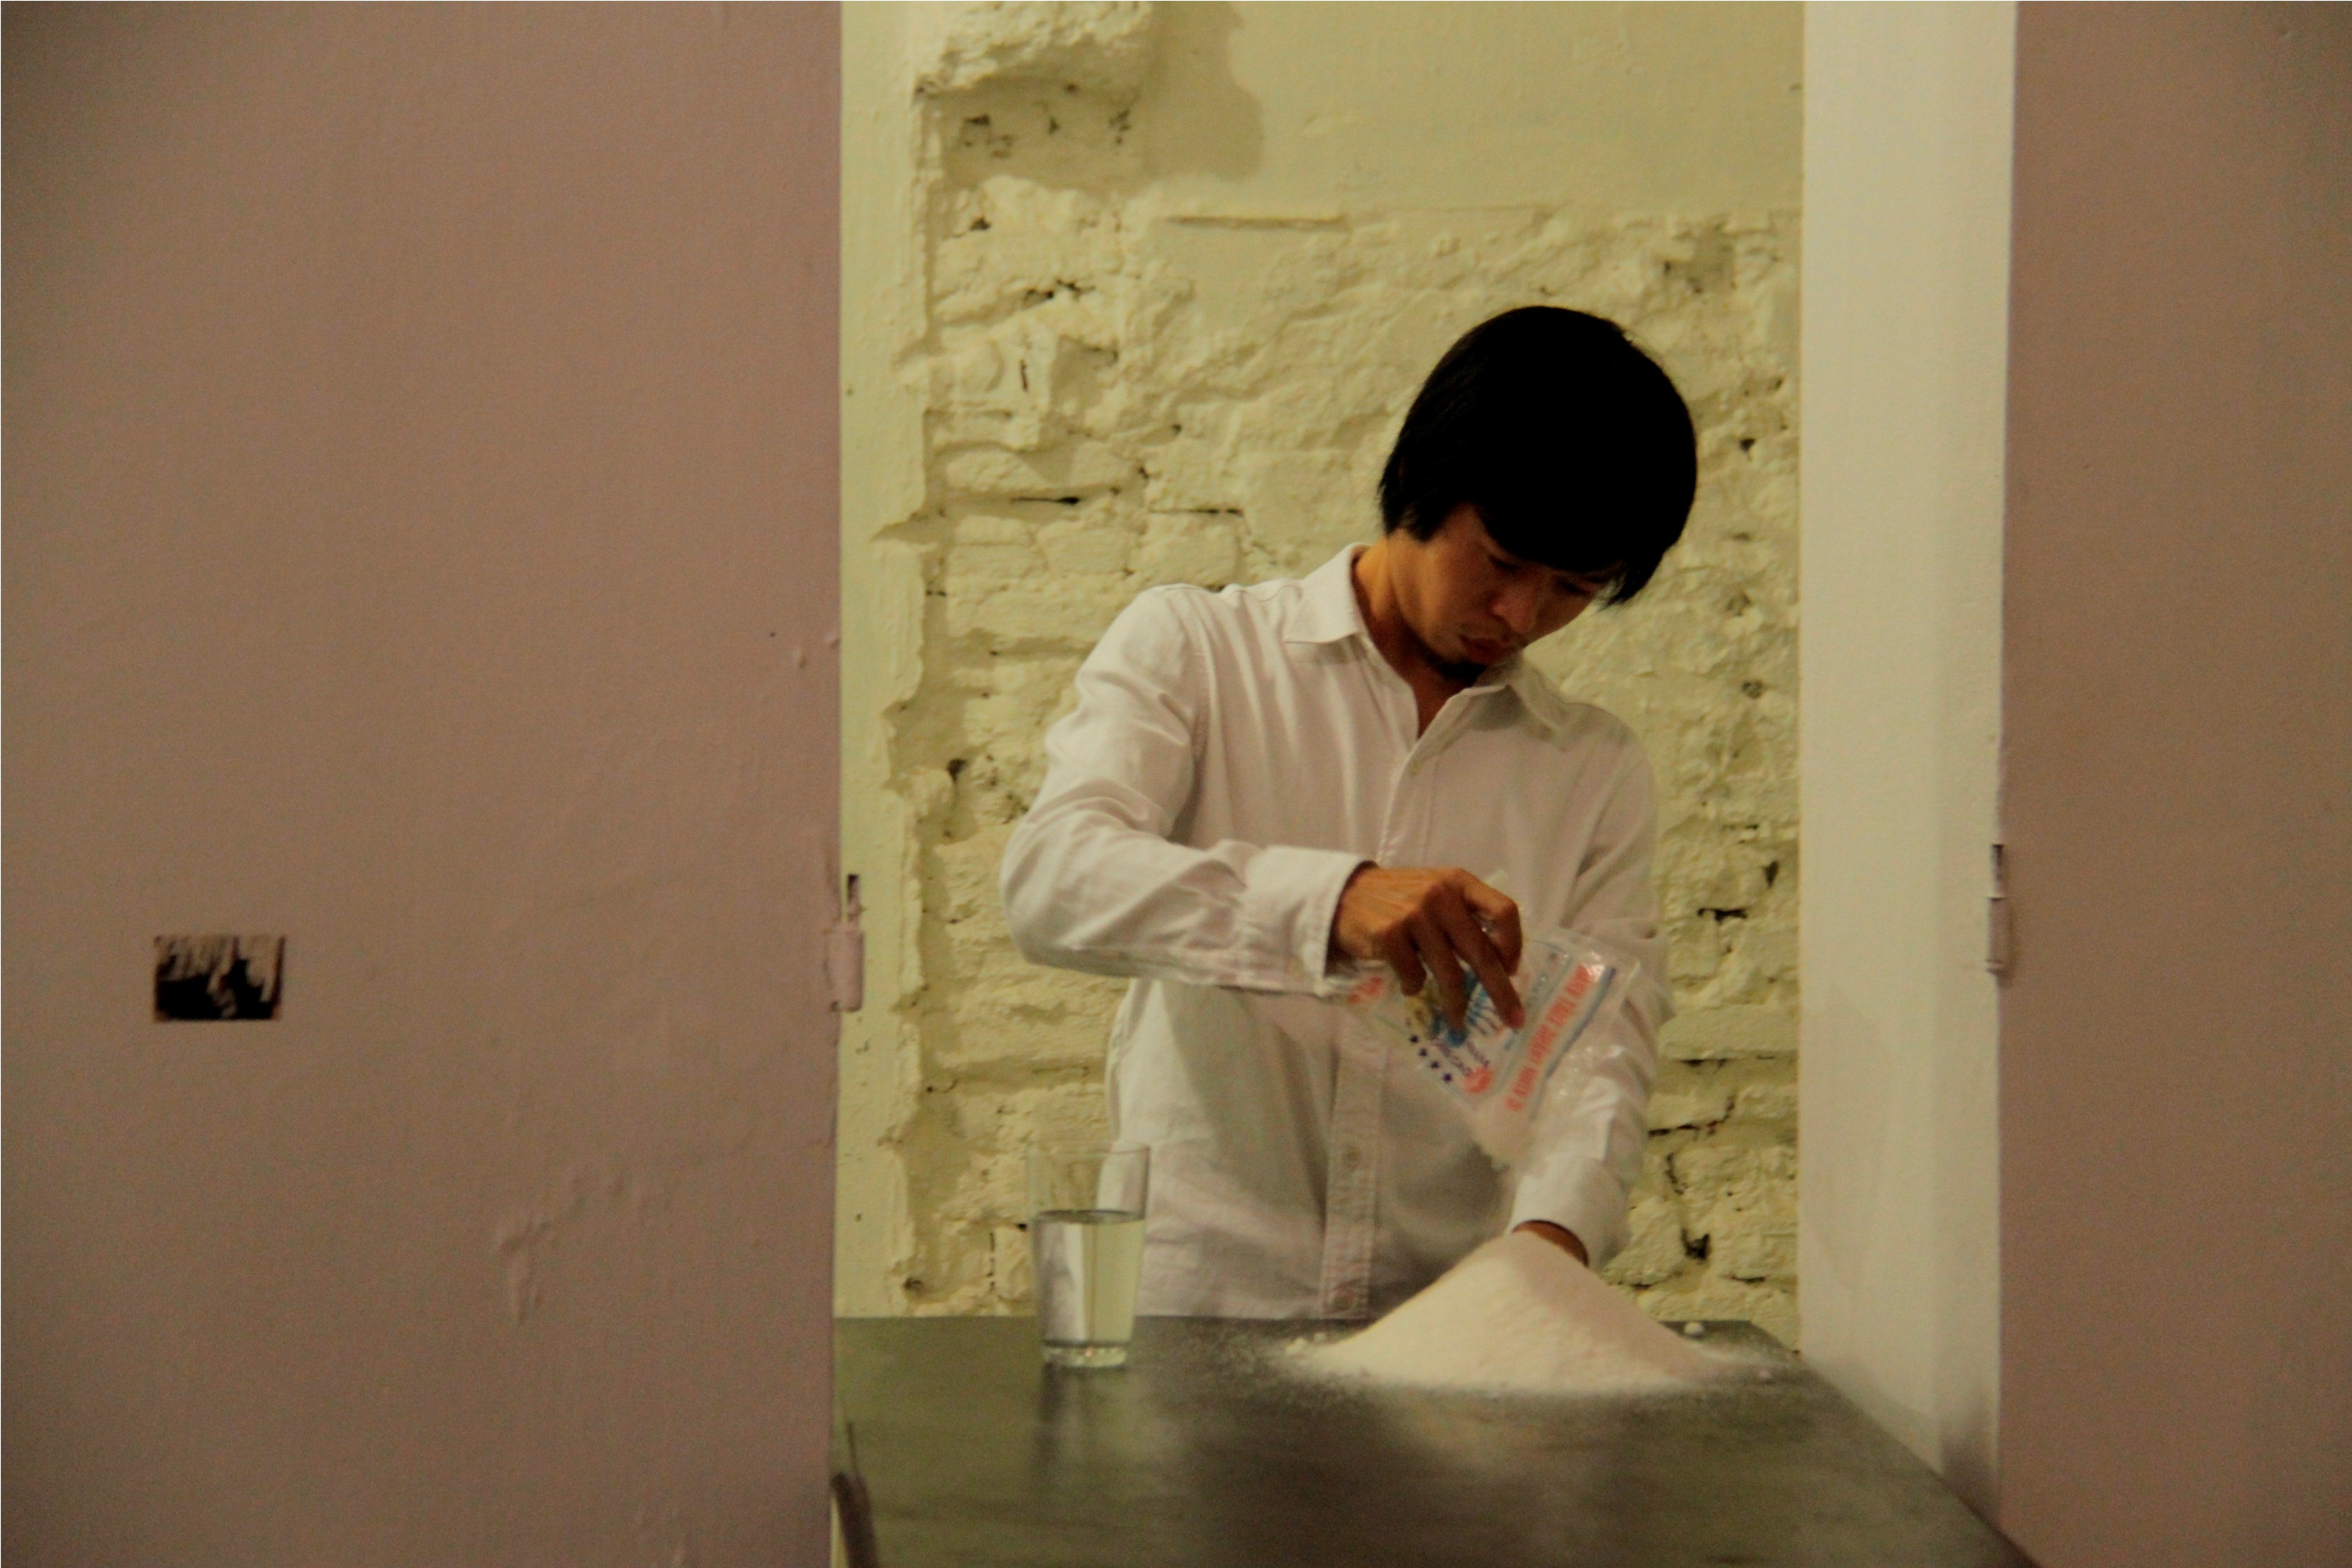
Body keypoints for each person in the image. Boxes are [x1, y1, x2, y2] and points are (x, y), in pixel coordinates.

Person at [1000, 306, 1697, 1319]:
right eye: (1502, 563)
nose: (1520, 616)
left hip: (1443, 1321)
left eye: (1572, 589)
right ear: (1419, 477)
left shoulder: (1592, 768)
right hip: (1198, 1311)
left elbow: (1602, 1044)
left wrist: (1551, 1242)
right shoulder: (1200, 651)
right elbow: (1051, 883)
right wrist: (1330, 904)